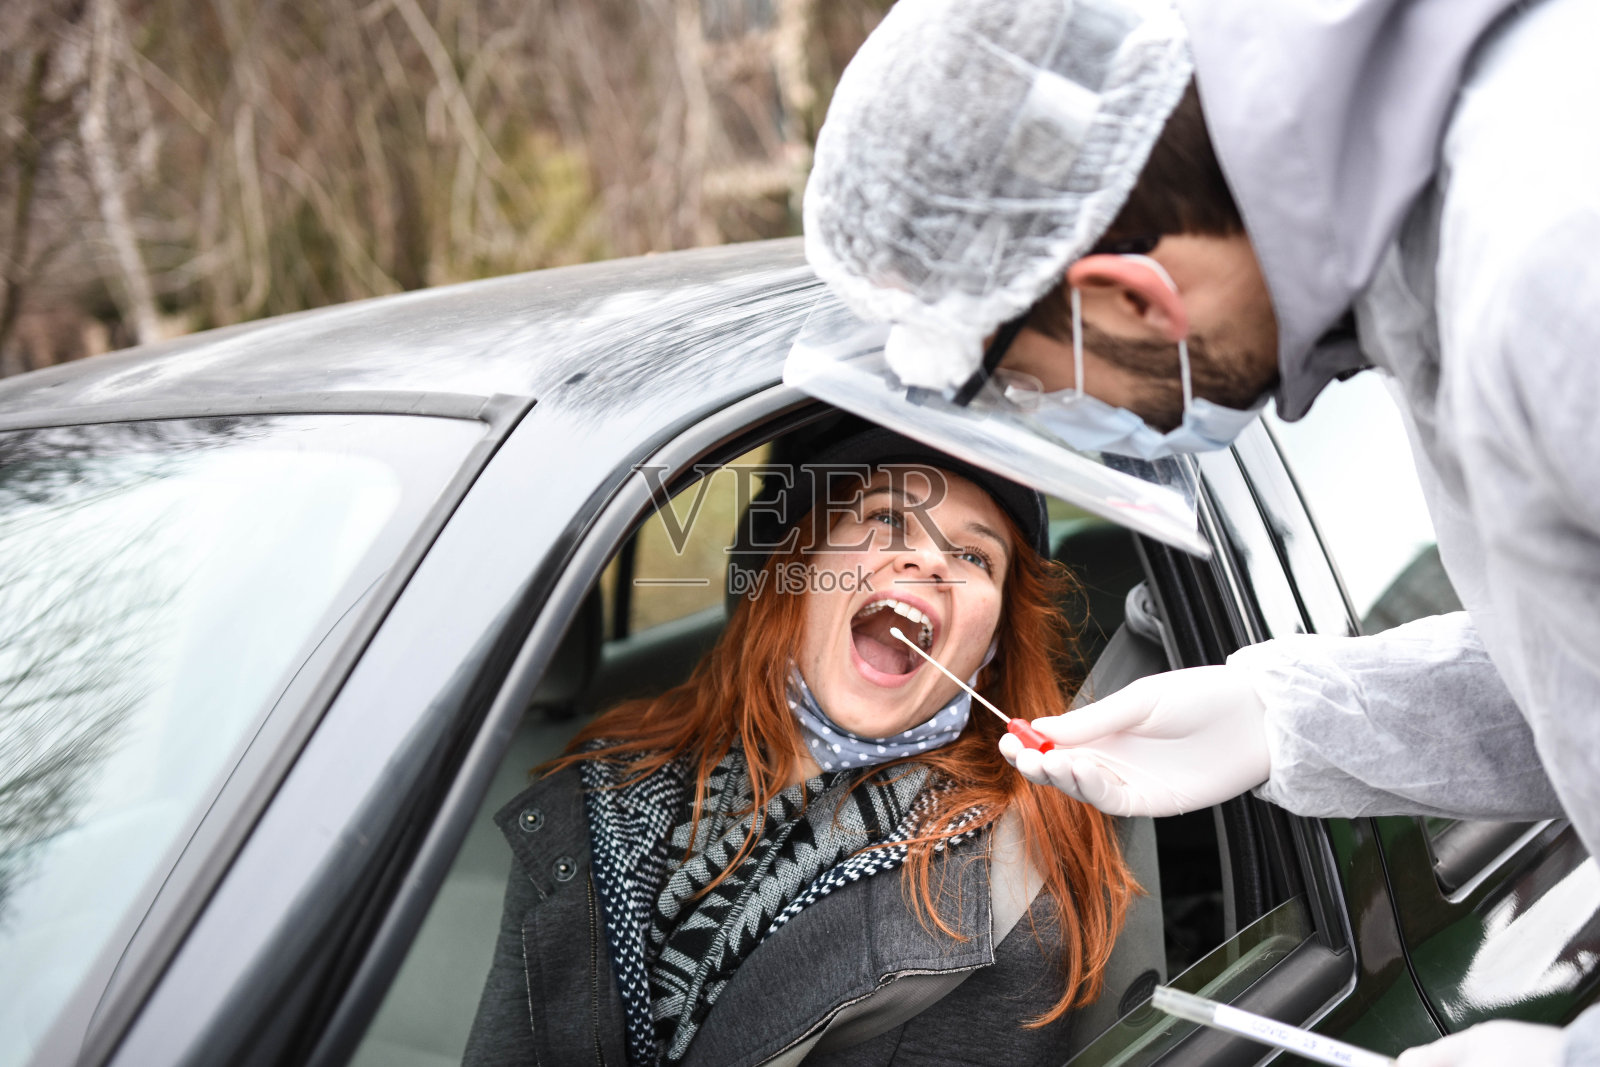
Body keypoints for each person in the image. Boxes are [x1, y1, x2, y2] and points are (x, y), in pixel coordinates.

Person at [799, 0, 1600, 1063]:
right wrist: (1285, 716)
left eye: (1044, 394)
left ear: (1130, 295)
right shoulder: (1442, 241)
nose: (1107, 427)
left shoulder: (1549, 277)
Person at [463, 428, 1136, 1066]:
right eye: (886, 520)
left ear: (987, 651)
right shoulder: (600, 795)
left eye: (973, 556)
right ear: (799, 565)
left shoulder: (1001, 897)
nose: (930, 559)